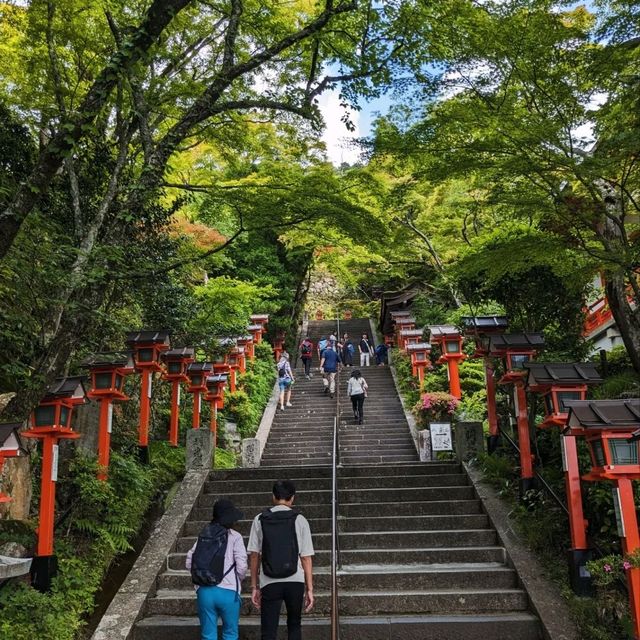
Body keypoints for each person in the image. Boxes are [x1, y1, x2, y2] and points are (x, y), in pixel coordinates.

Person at [248, 480, 315, 640]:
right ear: (292, 498)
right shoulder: (300, 520)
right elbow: (306, 557)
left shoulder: (259, 519)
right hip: (295, 580)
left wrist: (254, 586)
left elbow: (254, 555)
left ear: (273, 496)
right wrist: (310, 589)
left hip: (269, 581)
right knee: (294, 625)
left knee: (268, 630)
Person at [186, 499, 248, 640]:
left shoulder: (204, 535)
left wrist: (200, 580)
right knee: (230, 634)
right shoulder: (235, 537)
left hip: (205, 592)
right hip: (229, 592)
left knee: (208, 636)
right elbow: (242, 566)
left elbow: (189, 560)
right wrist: (239, 578)